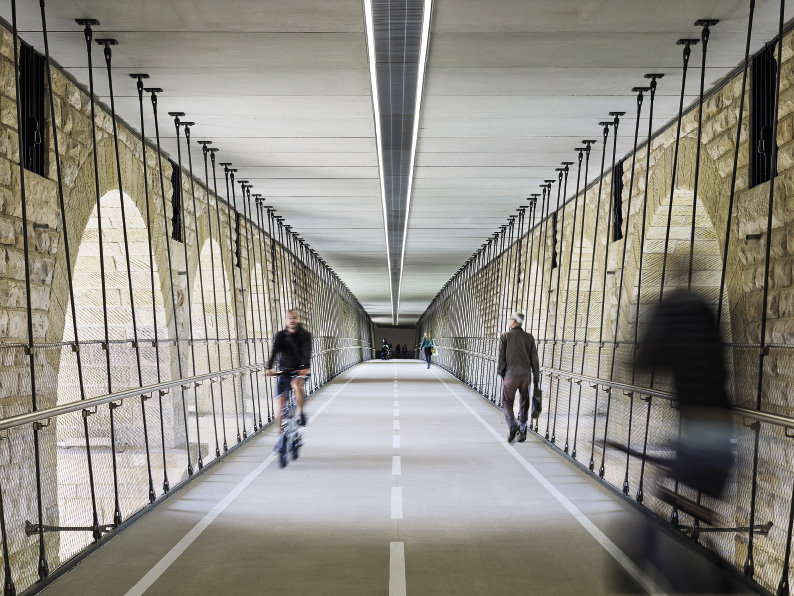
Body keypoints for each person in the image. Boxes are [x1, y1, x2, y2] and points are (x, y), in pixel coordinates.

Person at [497, 312, 539, 443]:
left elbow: (501, 359)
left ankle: (513, 425)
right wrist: (536, 378)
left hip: (510, 375)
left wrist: (502, 374)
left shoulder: (505, 337)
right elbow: (535, 360)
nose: (509, 321)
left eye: (510, 319)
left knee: (506, 402)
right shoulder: (529, 338)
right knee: (524, 403)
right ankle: (522, 432)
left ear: (514, 321)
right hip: (526, 376)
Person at [266, 309, 312, 429]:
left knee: (295, 384)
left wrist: (305, 367)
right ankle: (281, 439)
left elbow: (307, 352)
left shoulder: (305, 336)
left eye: (294, 317)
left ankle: (301, 412)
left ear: (298, 319)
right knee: (280, 403)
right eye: (289, 318)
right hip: (284, 370)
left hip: (300, 371)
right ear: (286, 320)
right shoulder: (281, 335)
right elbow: (275, 351)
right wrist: (269, 367)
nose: (292, 320)